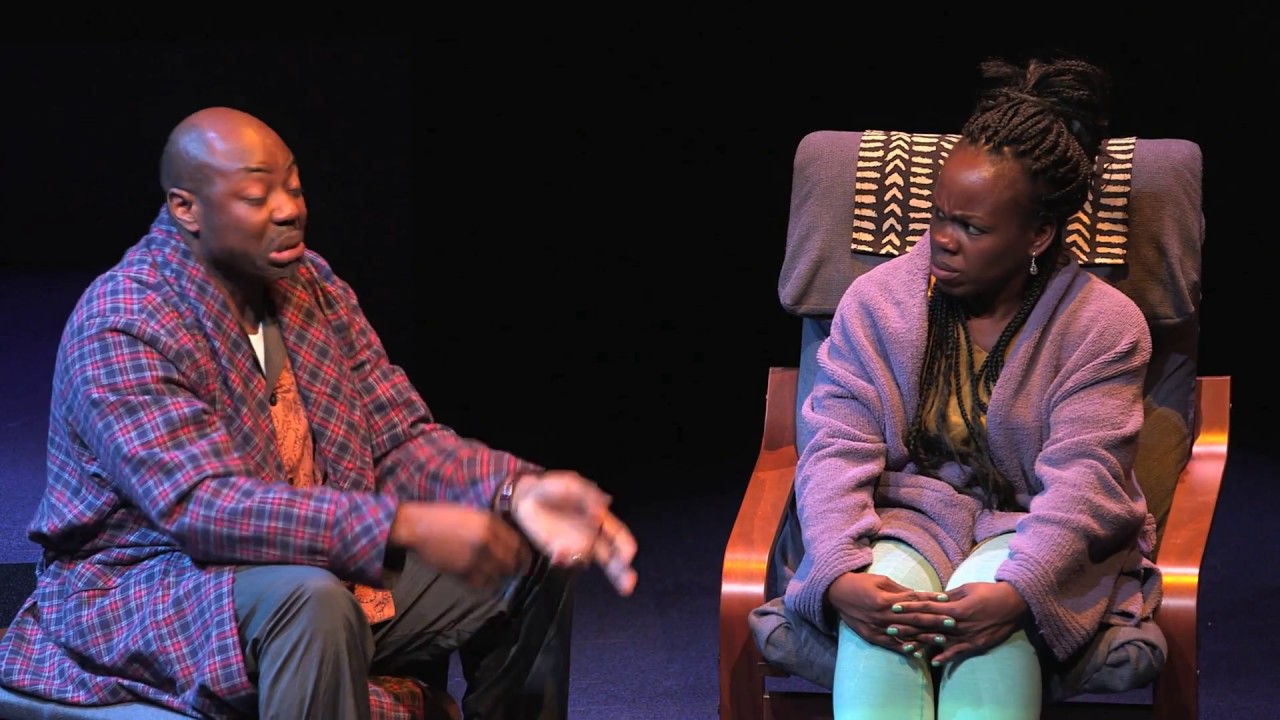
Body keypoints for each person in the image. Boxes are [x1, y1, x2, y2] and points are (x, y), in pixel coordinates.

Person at [0, 106, 638, 720]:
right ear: (185, 208)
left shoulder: (311, 287)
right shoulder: (125, 322)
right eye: (257, 197)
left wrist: (514, 489)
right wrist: (407, 525)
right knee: (309, 602)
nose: (288, 210)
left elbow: (399, 440)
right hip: (148, 588)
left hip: (309, 565)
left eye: (295, 188)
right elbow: (205, 507)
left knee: (524, 554)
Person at [779, 58, 1160, 719]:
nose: (943, 240)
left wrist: (1020, 588)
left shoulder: (1102, 326)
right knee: (886, 624)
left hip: (1034, 532)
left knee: (990, 638)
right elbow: (835, 446)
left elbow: (1086, 479)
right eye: (939, 215)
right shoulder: (877, 304)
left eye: (972, 228)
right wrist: (840, 568)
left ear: (1037, 234)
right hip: (903, 523)